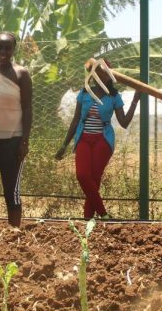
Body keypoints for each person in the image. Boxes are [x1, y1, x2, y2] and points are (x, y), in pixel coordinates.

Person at [55, 60, 140, 220]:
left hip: (103, 140)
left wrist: (135, 100)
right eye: (97, 73)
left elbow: (124, 122)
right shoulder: (85, 93)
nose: (101, 76)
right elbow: (75, 120)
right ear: (93, 76)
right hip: (84, 139)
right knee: (82, 175)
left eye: (104, 73)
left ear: (109, 76)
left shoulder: (114, 96)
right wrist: (65, 144)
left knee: (94, 179)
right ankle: (103, 214)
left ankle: (88, 220)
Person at [0, 32, 32, 228]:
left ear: (13, 49)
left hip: (12, 140)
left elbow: (27, 107)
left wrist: (24, 140)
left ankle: (14, 233)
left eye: (7, 47)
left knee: (12, 189)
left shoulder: (21, 74)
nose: (3, 51)